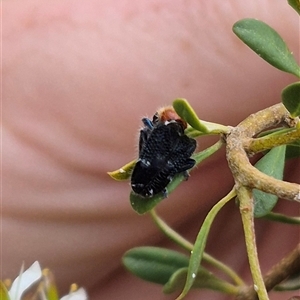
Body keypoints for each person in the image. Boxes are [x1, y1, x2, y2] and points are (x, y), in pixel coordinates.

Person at [2, 1, 299, 299]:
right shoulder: (174, 138)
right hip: (157, 177)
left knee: (174, 157)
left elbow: (173, 148)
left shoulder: (165, 135)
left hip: (157, 177)